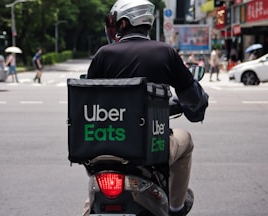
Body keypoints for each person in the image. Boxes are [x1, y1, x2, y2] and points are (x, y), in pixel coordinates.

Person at [85, 0, 209, 216]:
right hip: (152, 148)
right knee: (186, 140)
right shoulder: (165, 52)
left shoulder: (103, 54)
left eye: (114, 23)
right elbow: (191, 97)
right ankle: (176, 208)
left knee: (92, 202)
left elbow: (87, 101)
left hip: (106, 147)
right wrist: (197, 102)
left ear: (123, 24)